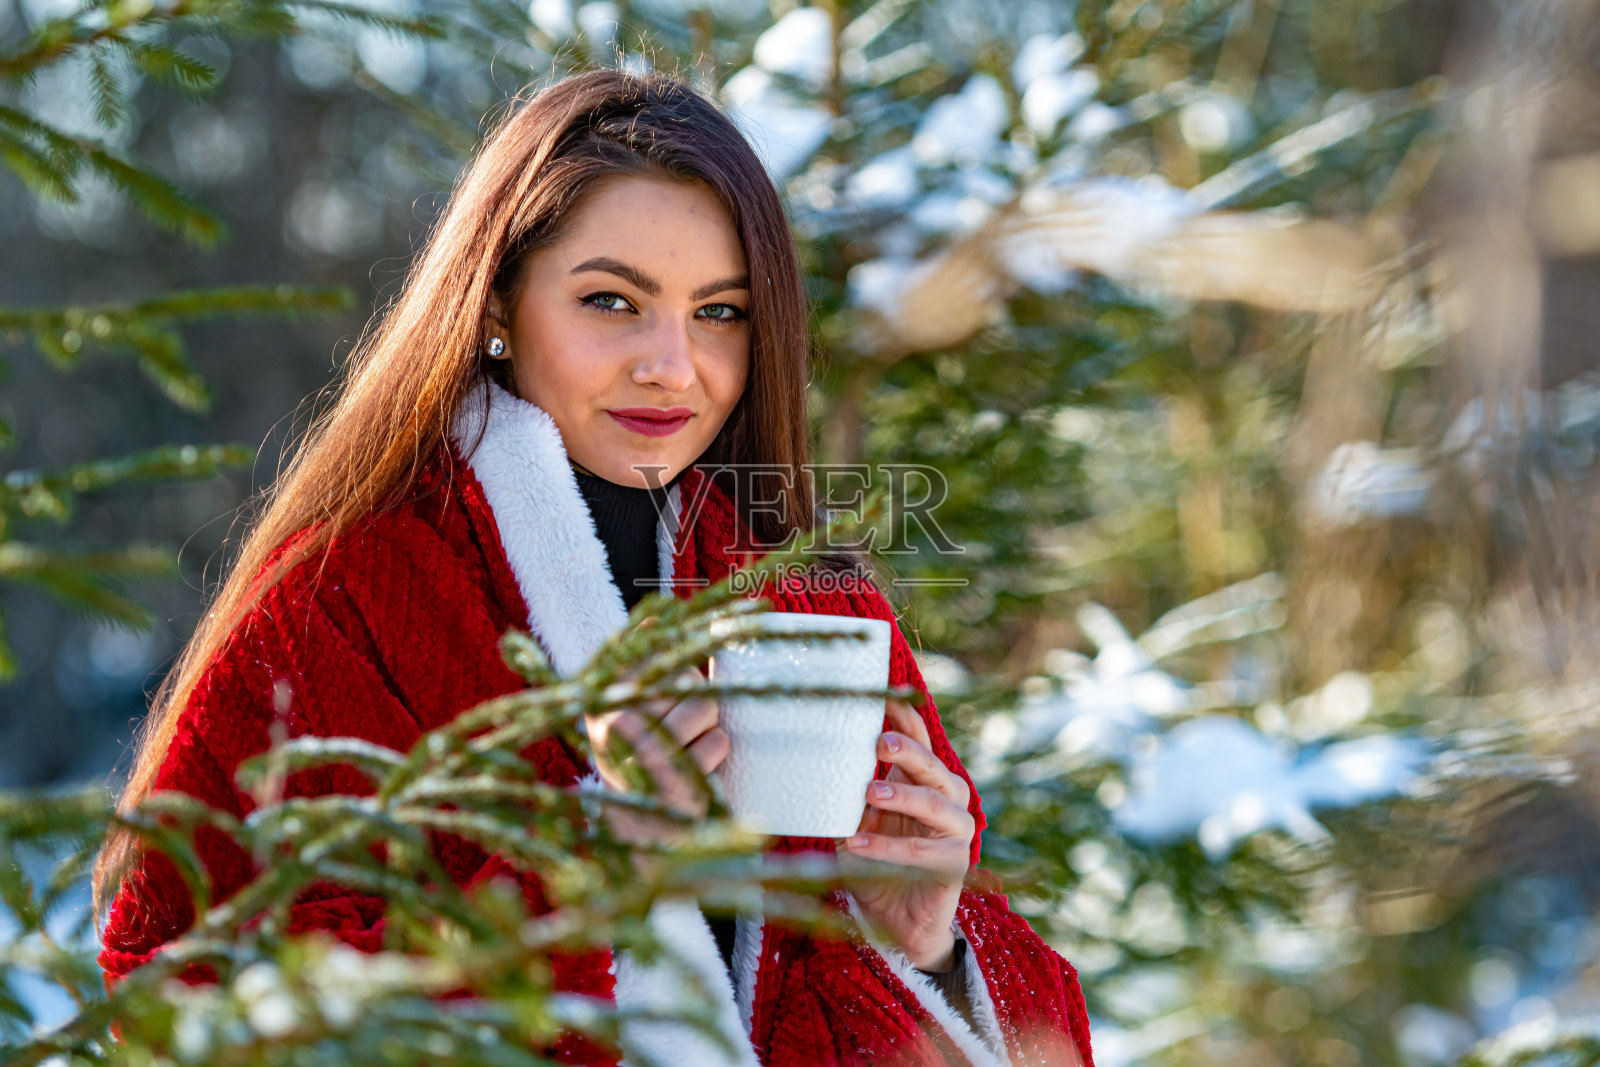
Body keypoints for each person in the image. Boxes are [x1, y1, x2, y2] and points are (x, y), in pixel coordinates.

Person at [93, 68, 1094, 1067]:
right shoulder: (344, 596)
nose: (672, 364)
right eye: (612, 301)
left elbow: (981, 1020)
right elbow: (179, 1000)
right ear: (498, 300)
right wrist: (582, 882)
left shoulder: (808, 593)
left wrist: (927, 944)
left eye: (720, 312)